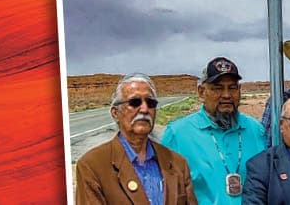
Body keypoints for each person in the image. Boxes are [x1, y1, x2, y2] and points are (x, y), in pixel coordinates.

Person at [74, 74, 198, 204]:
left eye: (150, 103)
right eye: (134, 102)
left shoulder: (178, 164)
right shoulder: (92, 165)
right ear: (115, 113)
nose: (144, 109)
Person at [162, 57, 269, 205]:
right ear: (201, 92)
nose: (226, 95)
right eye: (217, 88)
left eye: (232, 88)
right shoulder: (178, 134)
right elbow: (167, 193)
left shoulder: (256, 130)